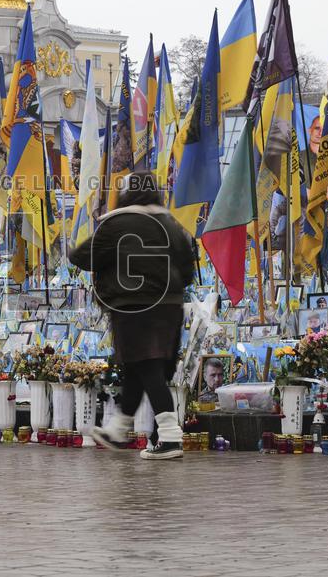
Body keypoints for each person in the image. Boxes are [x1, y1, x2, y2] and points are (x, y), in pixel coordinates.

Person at [70, 172, 195, 460]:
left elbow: (81, 256)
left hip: (133, 308)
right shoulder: (171, 224)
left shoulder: (117, 224)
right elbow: (188, 271)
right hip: (169, 308)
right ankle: (119, 429)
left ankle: (171, 436)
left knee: (147, 368)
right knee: (139, 367)